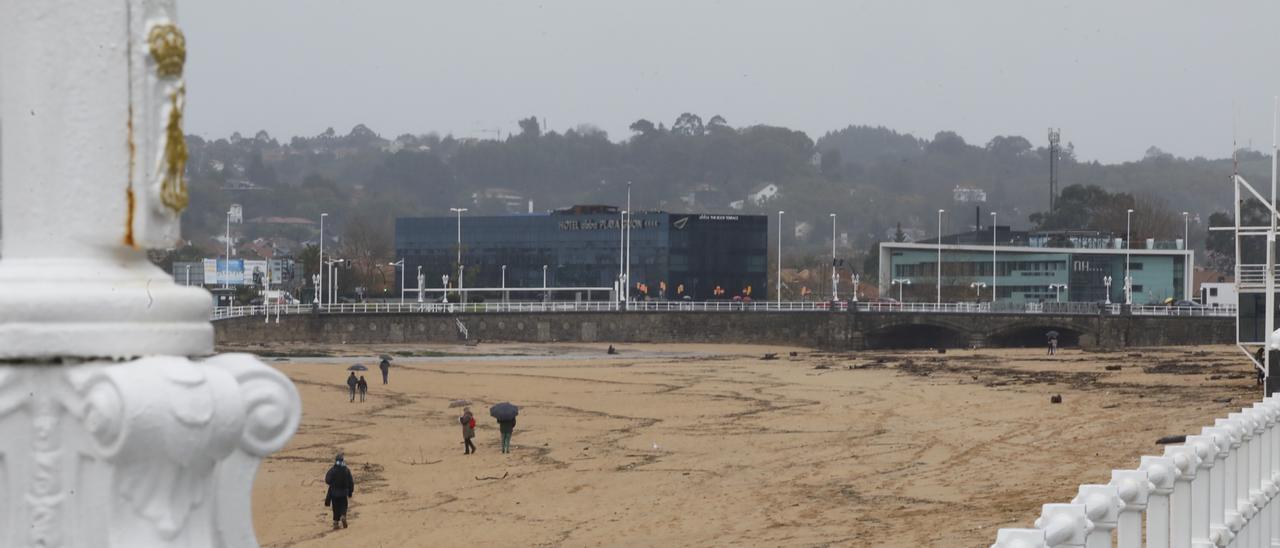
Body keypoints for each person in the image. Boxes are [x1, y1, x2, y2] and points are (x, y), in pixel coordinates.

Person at [324, 453, 355, 530]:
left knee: (335, 508)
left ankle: (336, 523)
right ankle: (343, 516)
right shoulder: (346, 470)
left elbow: (327, 480)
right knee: (344, 506)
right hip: (344, 493)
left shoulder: (332, 470)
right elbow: (351, 482)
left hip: (334, 493)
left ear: (336, 461)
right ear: (342, 461)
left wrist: (333, 483)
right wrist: (350, 492)